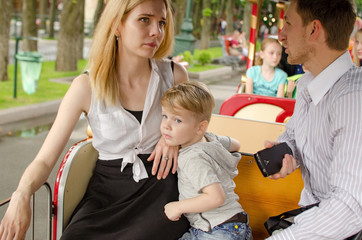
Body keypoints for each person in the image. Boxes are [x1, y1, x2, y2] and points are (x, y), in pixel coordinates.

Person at [0, 0, 191, 239]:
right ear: (116, 25)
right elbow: (45, 159)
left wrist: (175, 139)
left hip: (163, 191)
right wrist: (22, 193)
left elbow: (201, 130)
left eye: (161, 22)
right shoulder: (85, 87)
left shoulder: (174, 76)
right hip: (106, 195)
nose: (156, 31)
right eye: (145, 20)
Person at [264, 0, 362, 239]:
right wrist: (287, 153)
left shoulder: (353, 97)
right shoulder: (308, 83)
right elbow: (294, 136)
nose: (281, 35)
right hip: (309, 217)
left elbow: (350, 206)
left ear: (313, 30)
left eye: (288, 23)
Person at [161, 81, 252, 240]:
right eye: (165, 116)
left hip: (218, 230)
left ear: (200, 127)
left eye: (177, 120)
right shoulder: (210, 138)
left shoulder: (192, 158)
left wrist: (178, 207)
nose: (166, 126)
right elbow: (236, 144)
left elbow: (216, 197)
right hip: (228, 224)